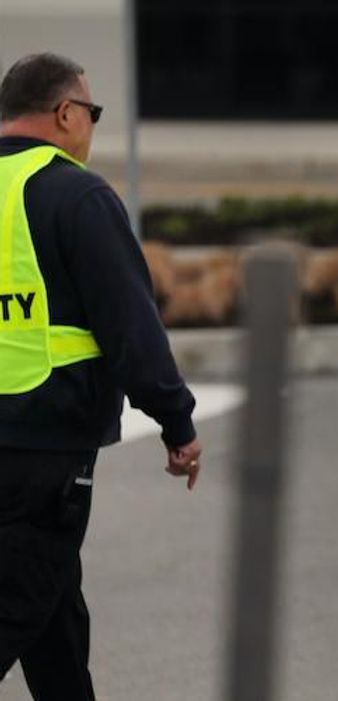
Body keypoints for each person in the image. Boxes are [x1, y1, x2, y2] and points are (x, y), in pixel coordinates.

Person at [0, 53, 202, 699]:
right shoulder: (73, 193)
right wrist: (175, 420)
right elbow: (127, 323)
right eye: (92, 112)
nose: (91, 127)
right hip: (41, 440)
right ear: (65, 113)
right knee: (19, 602)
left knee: (52, 612)